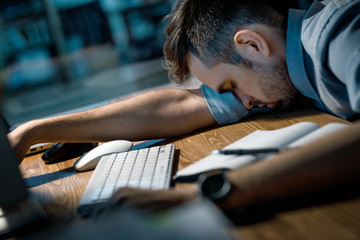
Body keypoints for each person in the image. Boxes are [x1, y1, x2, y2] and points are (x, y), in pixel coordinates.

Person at [7, 0, 360, 212]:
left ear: (253, 45)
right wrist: (34, 130)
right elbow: (173, 106)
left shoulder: (343, 34)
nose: (242, 101)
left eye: (230, 86)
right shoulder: (276, 71)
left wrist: (217, 192)